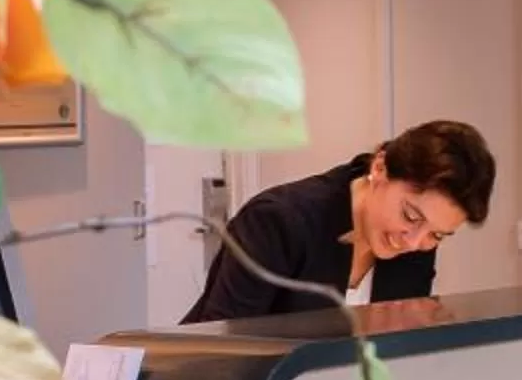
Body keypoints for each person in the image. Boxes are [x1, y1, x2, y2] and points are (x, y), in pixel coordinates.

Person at [184, 121, 496, 323]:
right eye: (410, 216)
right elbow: (222, 356)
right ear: (380, 168)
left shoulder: (415, 246)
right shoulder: (278, 222)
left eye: (437, 235)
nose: (413, 242)